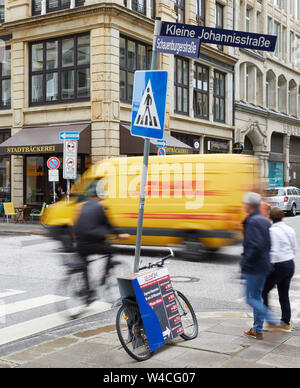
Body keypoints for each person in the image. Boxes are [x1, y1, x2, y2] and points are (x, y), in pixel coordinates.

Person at [73, 186, 129, 305]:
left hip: (79, 243)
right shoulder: (99, 207)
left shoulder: (83, 206)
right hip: (91, 243)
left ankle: (88, 293)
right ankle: (105, 276)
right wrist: (120, 234)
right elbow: (109, 224)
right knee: (110, 250)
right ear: (98, 197)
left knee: (84, 265)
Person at [241, 192, 278, 340]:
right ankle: (257, 329)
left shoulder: (253, 221)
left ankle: (272, 320)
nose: (243, 205)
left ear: (249, 205)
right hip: (264, 266)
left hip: (254, 267)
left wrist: (245, 263)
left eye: (244, 203)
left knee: (250, 299)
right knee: (257, 297)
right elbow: (268, 244)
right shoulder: (263, 220)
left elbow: (254, 246)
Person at [262, 207, 296, 332]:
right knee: (284, 294)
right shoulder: (290, 229)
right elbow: (294, 247)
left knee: (263, 291)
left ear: (271, 218)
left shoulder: (272, 231)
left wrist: (268, 268)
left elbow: (274, 251)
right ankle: (285, 323)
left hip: (278, 265)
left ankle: (269, 321)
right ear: (282, 217)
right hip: (290, 264)